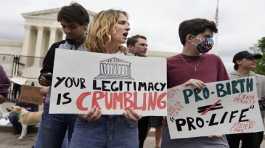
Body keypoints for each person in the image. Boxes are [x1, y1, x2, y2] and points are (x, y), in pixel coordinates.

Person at [69, 9, 140, 148]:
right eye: (122, 23)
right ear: (105, 25)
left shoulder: (134, 62)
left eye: (128, 23)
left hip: (125, 129)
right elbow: (67, 92)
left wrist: (140, 110)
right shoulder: (79, 58)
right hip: (89, 128)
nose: (128, 27)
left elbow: (144, 96)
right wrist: (78, 110)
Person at [163, 18, 229, 148]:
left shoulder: (215, 60)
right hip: (177, 133)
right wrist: (181, 89)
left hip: (213, 134)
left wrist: (224, 125)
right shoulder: (167, 63)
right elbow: (157, 98)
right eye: (207, 36)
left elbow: (228, 96)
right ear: (190, 37)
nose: (210, 41)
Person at [34, 3, 89, 148]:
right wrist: (46, 79)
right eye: (64, 26)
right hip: (54, 109)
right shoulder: (56, 47)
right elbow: (42, 77)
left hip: (81, 110)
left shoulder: (95, 50)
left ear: (85, 25)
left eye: (72, 26)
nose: (67, 31)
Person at [226, 50, 265, 148]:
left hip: (254, 124)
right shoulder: (225, 79)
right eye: (249, 58)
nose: (254, 61)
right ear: (238, 62)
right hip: (231, 124)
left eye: (254, 59)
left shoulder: (262, 79)